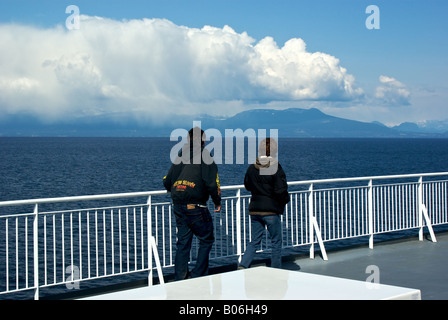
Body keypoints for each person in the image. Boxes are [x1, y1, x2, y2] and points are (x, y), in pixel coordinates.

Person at [163, 127, 221, 280]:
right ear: (203, 140)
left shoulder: (181, 155)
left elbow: (168, 180)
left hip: (178, 204)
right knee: (206, 239)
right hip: (196, 205)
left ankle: (180, 277)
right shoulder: (205, 155)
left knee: (183, 242)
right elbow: (212, 183)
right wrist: (217, 201)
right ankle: (198, 275)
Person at [239, 138, 289, 269]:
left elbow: (247, 185)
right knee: (276, 242)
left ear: (260, 150)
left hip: (255, 210)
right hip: (271, 211)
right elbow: (280, 190)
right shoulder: (275, 167)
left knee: (254, 241)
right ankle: (276, 270)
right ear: (274, 151)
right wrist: (285, 200)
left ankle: (243, 265)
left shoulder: (251, 167)